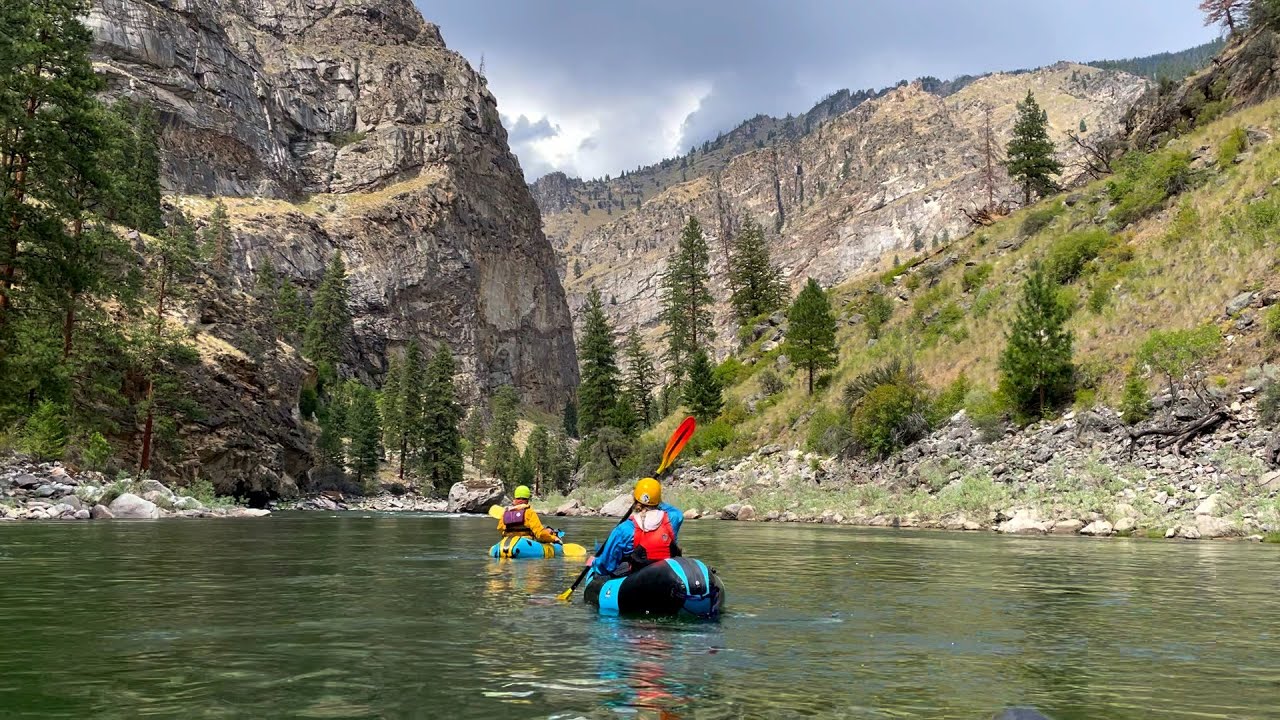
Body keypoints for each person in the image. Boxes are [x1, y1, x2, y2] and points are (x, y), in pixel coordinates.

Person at [590, 477, 684, 577]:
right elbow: (674, 510)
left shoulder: (624, 529)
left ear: (634, 500)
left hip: (638, 582)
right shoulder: (673, 518)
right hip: (667, 576)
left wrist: (594, 563)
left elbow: (607, 566)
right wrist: (654, 497)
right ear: (659, 500)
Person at [497, 485, 562, 545]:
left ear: (515, 499)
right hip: (526, 543)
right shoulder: (529, 512)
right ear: (527, 500)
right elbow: (540, 534)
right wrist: (554, 538)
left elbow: (500, 528)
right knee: (548, 530)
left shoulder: (506, 513)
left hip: (509, 542)